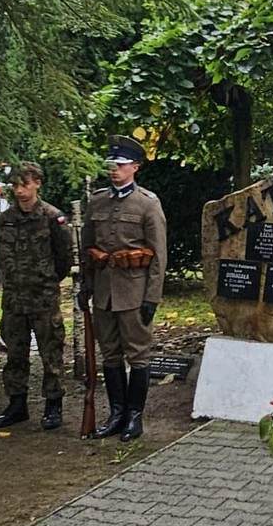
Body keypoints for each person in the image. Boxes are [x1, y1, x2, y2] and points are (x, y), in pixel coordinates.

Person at [80, 135, 167, 441]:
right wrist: (86, 287)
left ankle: (134, 416)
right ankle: (116, 413)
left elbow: (158, 255)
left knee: (138, 355)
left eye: (121, 164)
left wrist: (152, 297)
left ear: (135, 167)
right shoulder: (97, 201)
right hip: (104, 292)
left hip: (133, 293)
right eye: (112, 164)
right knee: (111, 355)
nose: (114, 169)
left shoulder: (147, 204)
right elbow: (87, 248)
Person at [0, 162, 73, 430]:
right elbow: (0, 257)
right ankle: (17, 405)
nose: (20, 191)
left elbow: (63, 260)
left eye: (24, 184)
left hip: (43, 299)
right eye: (15, 185)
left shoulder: (52, 218)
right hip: (14, 301)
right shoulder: (5, 220)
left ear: (37, 182)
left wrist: (44, 281)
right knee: (15, 354)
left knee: (51, 354)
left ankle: (53, 405)